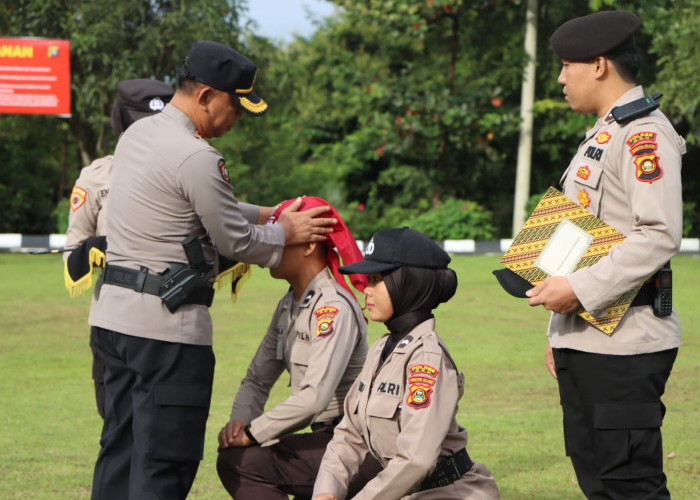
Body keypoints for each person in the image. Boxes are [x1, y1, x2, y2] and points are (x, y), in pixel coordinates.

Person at [89, 40, 336, 500]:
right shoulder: (198, 156)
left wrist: (268, 213)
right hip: (166, 335)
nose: (237, 118)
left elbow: (196, 202)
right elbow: (234, 242)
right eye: (235, 106)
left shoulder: (137, 136)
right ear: (205, 95)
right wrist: (286, 231)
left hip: (112, 325)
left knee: (119, 453)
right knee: (163, 462)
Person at [526, 11, 685, 499]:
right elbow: (585, 235)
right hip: (588, 340)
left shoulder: (643, 134)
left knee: (629, 486)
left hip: (626, 344)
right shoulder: (603, 133)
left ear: (598, 65)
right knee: (598, 481)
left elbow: (658, 233)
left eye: (565, 65)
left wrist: (577, 289)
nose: (559, 78)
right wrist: (561, 332)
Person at [312, 227, 500, 500]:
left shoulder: (427, 359)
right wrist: (326, 492)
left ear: (409, 284)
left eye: (377, 280)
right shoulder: (380, 350)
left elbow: (417, 460)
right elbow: (349, 434)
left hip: (447, 492)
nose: (367, 289)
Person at [216, 196, 382, 499]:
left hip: (357, 444)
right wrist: (240, 422)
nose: (267, 246)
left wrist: (253, 434)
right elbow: (257, 379)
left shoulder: (332, 307)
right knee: (239, 454)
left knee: (243, 461)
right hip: (326, 439)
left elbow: (314, 399)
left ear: (307, 247)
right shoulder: (289, 304)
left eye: (282, 236)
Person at [63, 78, 174, 419]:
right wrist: (96, 248)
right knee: (117, 430)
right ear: (122, 123)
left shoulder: (185, 171)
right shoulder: (97, 177)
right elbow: (72, 255)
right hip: (114, 324)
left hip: (169, 320)